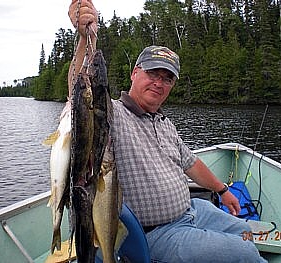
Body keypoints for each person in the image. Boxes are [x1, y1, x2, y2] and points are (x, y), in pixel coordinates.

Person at [68, 1, 267, 262]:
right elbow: (79, 94)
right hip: (156, 233)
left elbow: (191, 163)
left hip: (192, 211)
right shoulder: (111, 114)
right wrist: (84, 38)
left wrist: (223, 190)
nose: (159, 83)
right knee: (246, 253)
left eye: (167, 78)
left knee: (244, 231)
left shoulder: (164, 123)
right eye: (153, 73)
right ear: (134, 74)